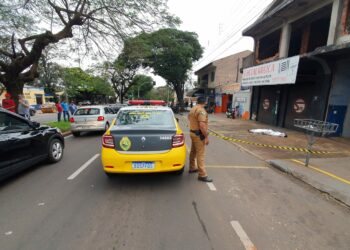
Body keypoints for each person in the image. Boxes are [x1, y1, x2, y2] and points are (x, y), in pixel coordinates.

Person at [188, 96, 212, 182]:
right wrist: (206, 137)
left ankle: (192, 167)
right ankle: (202, 175)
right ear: (205, 102)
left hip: (192, 133)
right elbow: (202, 125)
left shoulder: (193, 109)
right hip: (198, 134)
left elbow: (189, 119)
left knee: (193, 151)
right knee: (200, 154)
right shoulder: (201, 111)